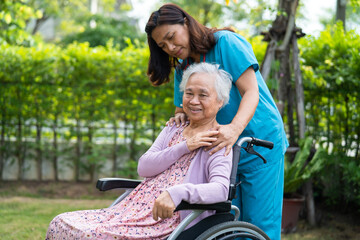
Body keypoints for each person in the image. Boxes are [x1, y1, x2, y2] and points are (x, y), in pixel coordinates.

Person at [145, 3, 289, 240]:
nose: (170, 47)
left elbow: (251, 92)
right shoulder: (183, 67)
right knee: (227, 225)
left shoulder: (226, 43)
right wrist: (181, 114)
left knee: (259, 225)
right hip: (221, 153)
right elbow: (184, 107)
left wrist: (233, 129)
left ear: (185, 23)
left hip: (259, 144)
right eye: (162, 45)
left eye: (171, 37)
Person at [45, 62, 233, 240]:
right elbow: (144, 167)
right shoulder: (173, 128)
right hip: (130, 212)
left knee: (91, 236)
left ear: (220, 101)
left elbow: (221, 190)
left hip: (162, 220)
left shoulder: (217, 140)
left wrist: (177, 193)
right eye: (189, 93)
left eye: (203, 95)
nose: (193, 101)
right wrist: (185, 146)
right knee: (59, 223)